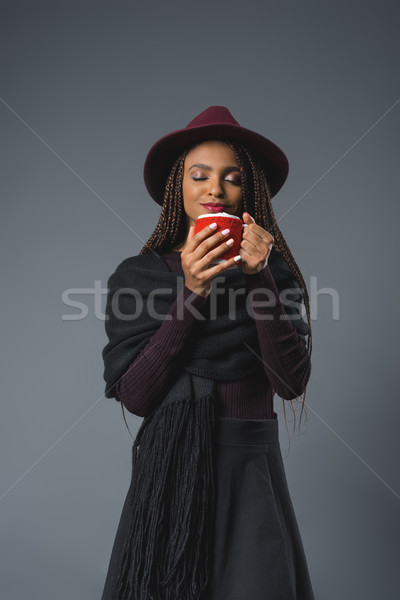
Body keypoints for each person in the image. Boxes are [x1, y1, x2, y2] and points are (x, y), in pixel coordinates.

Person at [101, 106, 315, 599]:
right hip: (169, 473)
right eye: (199, 175)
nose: (215, 189)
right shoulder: (138, 278)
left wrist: (258, 276)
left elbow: (289, 382)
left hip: (249, 471)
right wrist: (194, 291)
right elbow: (135, 394)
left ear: (249, 194)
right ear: (179, 186)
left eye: (231, 178)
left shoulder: (271, 273)